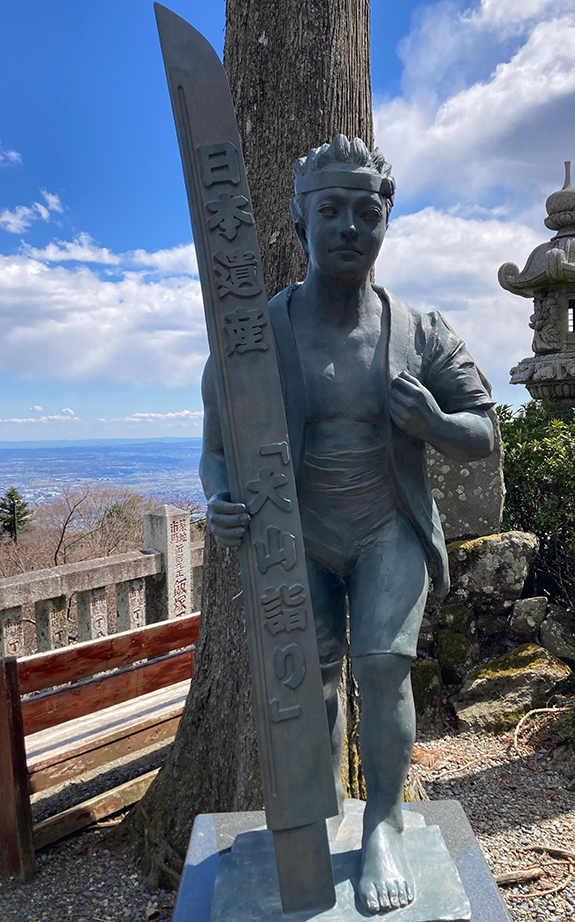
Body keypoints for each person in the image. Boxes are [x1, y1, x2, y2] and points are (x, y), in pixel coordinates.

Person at [201, 135, 495, 914]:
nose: (349, 228)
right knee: (310, 674)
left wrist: (433, 419)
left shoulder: (419, 329)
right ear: (299, 221)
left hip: (386, 523)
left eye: (367, 212)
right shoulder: (257, 332)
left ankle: (386, 825)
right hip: (295, 531)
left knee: (382, 666)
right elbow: (216, 444)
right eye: (329, 210)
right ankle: (316, 815)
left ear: (386, 224)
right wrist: (220, 497)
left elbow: (484, 430)